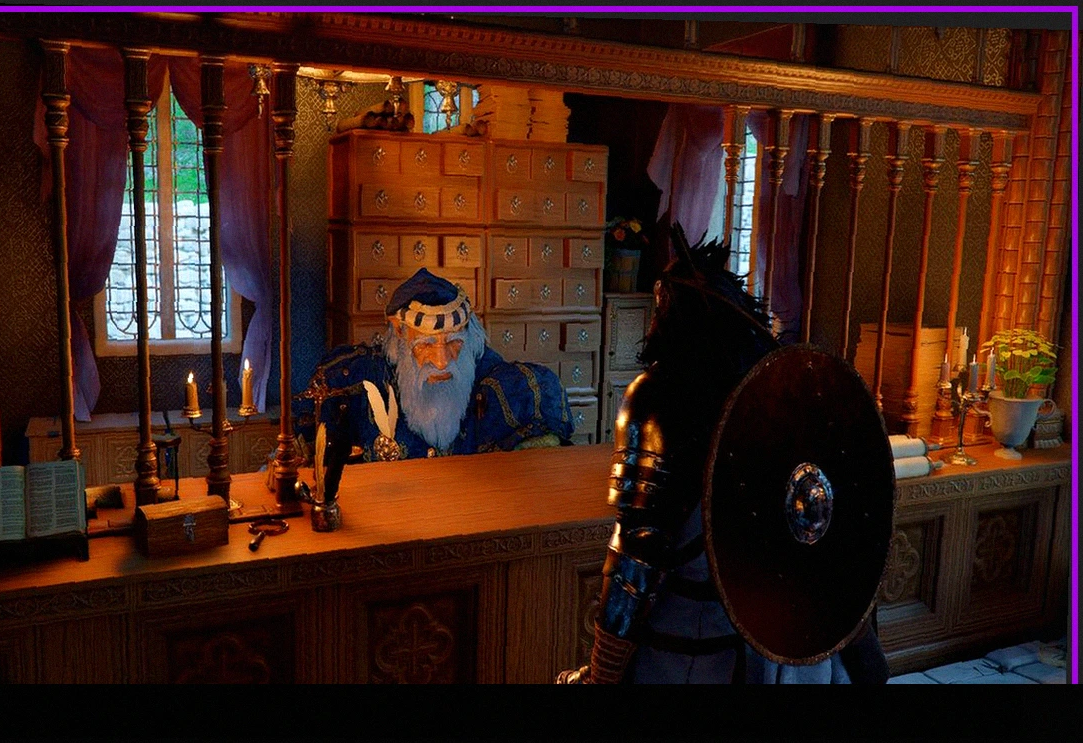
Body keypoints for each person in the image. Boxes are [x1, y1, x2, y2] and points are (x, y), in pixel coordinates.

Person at [558, 225, 888, 684]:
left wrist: (602, 673)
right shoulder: (789, 392)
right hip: (790, 655)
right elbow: (841, 548)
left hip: (692, 661)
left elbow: (637, 553)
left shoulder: (660, 397)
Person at [294, 268, 573, 462]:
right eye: (425, 345)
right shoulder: (353, 383)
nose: (441, 362)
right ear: (400, 335)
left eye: (454, 343)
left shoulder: (509, 389)